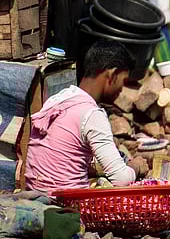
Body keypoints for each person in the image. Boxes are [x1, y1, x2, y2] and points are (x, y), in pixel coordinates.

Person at [26, 41, 150, 192]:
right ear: (112, 75)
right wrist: (135, 166)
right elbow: (121, 178)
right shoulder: (91, 114)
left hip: (35, 193)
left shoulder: (58, 99)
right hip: (65, 204)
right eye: (123, 82)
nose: (121, 90)